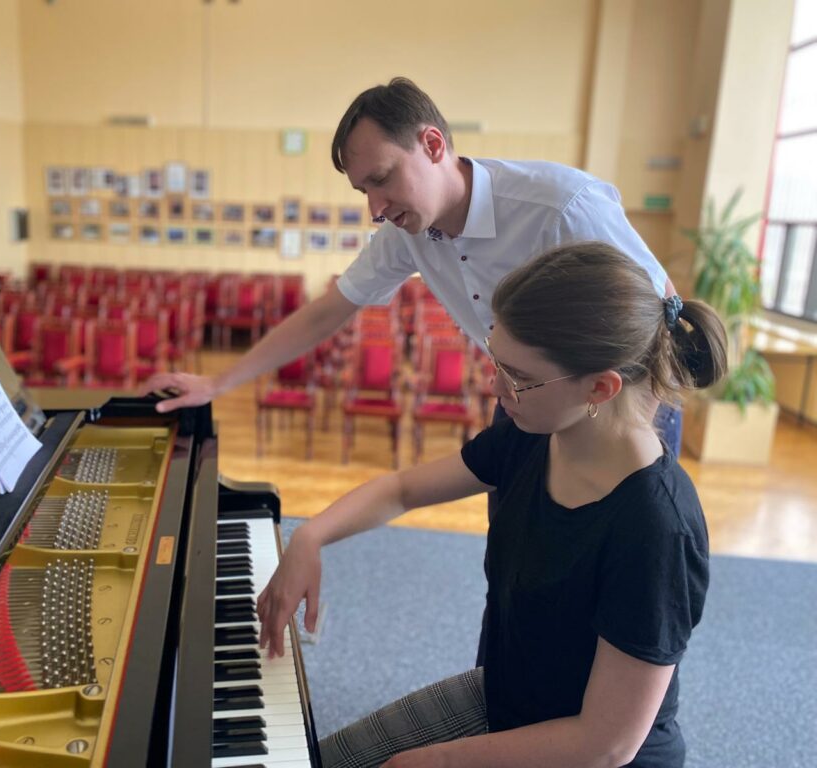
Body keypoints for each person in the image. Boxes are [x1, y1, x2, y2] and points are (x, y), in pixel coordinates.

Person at [257, 242, 727, 768]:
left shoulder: (658, 528)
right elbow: (402, 490)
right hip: (505, 699)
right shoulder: (532, 433)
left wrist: (440, 760)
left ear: (599, 387)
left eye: (520, 377)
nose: (493, 385)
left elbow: (605, 744)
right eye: (496, 360)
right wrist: (309, 536)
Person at [135, 75, 681, 452]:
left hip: (620, 412)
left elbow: (661, 320)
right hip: (523, 403)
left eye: (382, 179)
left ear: (433, 144)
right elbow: (329, 311)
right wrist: (218, 383)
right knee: (515, 573)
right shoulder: (409, 229)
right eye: (362, 190)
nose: (375, 208)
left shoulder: (561, 205)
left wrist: (636, 443)